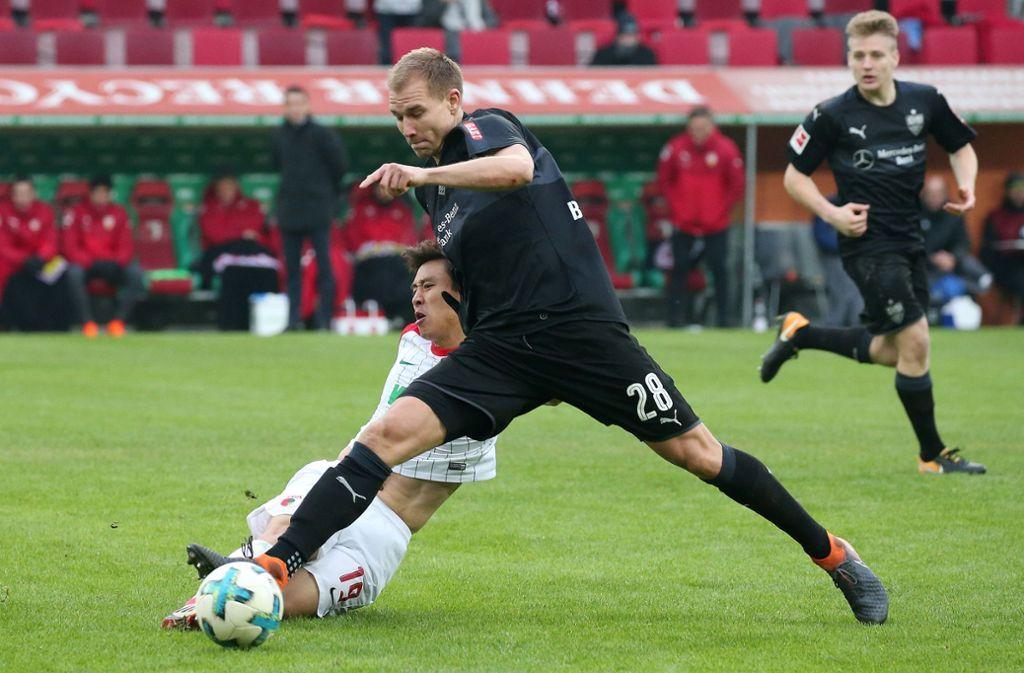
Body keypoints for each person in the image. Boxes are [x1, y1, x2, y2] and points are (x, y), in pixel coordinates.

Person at [189, 48, 889, 625]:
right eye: (397, 117)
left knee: (701, 455)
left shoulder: (489, 132)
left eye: (417, 112)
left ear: (455, 102)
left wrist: (425, 172)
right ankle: (271, 568)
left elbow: (517, 172)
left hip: (584, 337)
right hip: (502, 350)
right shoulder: (435, 192)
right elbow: (459, 265)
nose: (407, 127)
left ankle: (836, 556)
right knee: (382, 436)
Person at [165, 241, 495, 626]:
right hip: (341, 479)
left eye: (428, 287)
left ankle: (235, 578)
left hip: (386, 530)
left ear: (462, 293)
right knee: (282, 534)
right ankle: (221, 587)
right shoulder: (411, 340)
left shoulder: (496, 367)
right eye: (414, 289)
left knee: (282, 601)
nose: (417, 298)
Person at [761, 10, 985, 475]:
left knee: (895, 351)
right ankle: (932, 456)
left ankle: (802, 333)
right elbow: (792, 176)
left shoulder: (925, 102)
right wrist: (832, 213)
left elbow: (961, 146)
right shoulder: (832, 115)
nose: (866, 64)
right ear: (849, 59)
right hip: (866, 245)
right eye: (858, 55)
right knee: (918, 341)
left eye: (876, 55)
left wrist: (968, 187)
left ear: (895, 57)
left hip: (910, 241)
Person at [656, 106, 744, 327]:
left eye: (702, 128)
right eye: (694, 128)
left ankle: (725, 320)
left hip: (716, 225)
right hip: (683, 224)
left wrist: (719, 212)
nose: (698, 133)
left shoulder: (726, 149)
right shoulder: (675, 148)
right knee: (679, 270)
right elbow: (664, 181)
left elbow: (737, 185)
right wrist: (678, 210)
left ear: (712, 127)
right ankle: (674, 320)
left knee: (720, 270)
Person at [273, 85, 347, 330]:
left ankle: (324, 319)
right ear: (285, 107)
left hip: (318, 210)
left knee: (324, 268)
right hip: (289, 211)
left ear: (307, 105)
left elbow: (339, 168)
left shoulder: (323, 135)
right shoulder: (279, 135)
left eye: (298, 103)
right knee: (292, 270)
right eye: (289, 104)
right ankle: (293, 320)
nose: (294, 109)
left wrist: (327, 199)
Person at [62, 176, 145, 339]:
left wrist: (116, 262)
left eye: (104, 193)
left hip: (112, 265)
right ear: (90, 194)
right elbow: (70, 246)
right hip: (88, 265)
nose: (101, 197)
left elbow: (127, 245)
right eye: (97, 193)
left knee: (136, 274)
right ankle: (87, 324)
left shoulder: (119, 213)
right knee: (73, 274)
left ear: (110, 194)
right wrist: (89, 262)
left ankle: (117, 323)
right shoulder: (77, 213)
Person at [0, 177, 71, 331]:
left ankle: (58, 324)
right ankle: (7, 323)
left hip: (40, 262)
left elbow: (51, 240)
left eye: (26, 193)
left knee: (61, 268)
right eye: (18, 194)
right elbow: (3, 245)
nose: (22, 198)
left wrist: (40, 258)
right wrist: (23, 260)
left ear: (33, 194)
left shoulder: (45, 210)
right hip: (15, 264)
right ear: (12, 196)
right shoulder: (3, 212)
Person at [342, 184, 419, 322]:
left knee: (405, 273)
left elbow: (410, 239)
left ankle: (401, 315)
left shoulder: (402, 210)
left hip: (396, 260)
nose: (385, 193)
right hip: (369, 262)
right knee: (382, 273)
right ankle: (387, 314)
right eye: (382, 188)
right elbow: (352, 238)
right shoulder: (361, 209)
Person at [920, 175, 990, 303]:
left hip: (952, 263)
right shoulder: (915, 213)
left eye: (938, 194)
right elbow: (911, 243)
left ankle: (979, 279)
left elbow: (963, 242)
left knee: (970, 265)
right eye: (930, 194)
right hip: (924, 264)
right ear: (924, 194)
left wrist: (952, 257)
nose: (934, 198)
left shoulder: (954, 213)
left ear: (945, 194)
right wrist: (932, 257)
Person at [812, 196, 865, 327]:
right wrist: (847, 244)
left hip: (856, 257)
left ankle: (856, 324)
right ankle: (835, 325)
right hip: (834, 259)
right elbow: (823, 237)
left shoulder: (861, 207)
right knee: (840, 294)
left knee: (856, 293)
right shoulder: (829, 206)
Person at [980, 172, 1024, 311]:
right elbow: (987, 249)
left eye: (1022, 190)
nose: (1018, 193)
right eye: (1015, 190)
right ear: (1007, 191)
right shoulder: (996, 217)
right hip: (1004, 266)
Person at [590, 13, 657, 67]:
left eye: (633, 35)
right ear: (618, 36)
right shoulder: (604, 54)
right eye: (626, 35)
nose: (630, 39)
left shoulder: (646, 54)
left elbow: (654, 77)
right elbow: (592, 76)